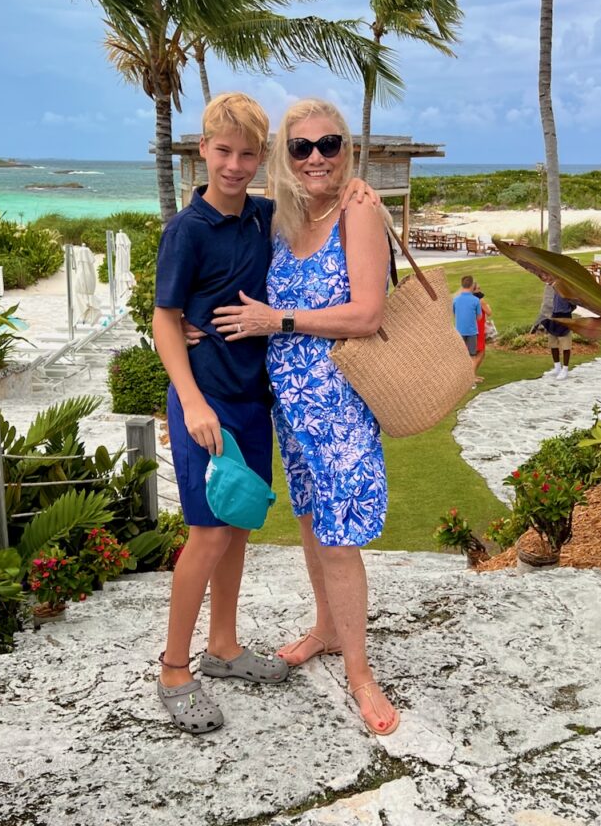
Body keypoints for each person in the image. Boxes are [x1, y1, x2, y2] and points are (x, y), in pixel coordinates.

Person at [154, 92, 375, 735]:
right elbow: (164, 321)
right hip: (208, 404)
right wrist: (191, 401)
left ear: (261, 158)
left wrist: (359, 189)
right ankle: (174, 668)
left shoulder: (262, 217)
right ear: (202, 150)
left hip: (255, 401)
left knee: (242, 523)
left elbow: (325, 196)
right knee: (209, 532)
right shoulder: (186, 230)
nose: (234, 165)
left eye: (248, 154)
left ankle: (222, 645)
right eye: (223, 151)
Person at [212, 98, 399, 736]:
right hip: (290, 405)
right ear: (285, 159)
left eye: (329, 144)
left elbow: (367, 314)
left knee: (341, 537)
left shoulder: (359, 213)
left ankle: (360, 673)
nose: (316, 157)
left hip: (339, 403)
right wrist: (183, 323)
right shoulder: (283, 217)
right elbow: (223, 237)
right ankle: (324, 627)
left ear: (347, 148)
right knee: (311, 523)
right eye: (302, 147)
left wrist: (279, 321)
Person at [541, 290, 577, 381]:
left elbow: (574, 305)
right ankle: (557, 368)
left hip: (565, 317)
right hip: (555, 316)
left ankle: (565, 370)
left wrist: (567, 310)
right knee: (553, 344)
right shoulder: (555, 287)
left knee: (566, 345)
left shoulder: (567, 288)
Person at [453, 274, 483, 381]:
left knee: (460, 355)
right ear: (471, 286)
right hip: (471, 331)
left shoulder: (456, 300)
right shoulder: (475, 300)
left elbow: (454, 313)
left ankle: (460, 379)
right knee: (472, 356)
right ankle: (471, 379)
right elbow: (479, 317)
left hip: (459, 331)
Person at [472, 281, 492, 383]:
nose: (480, 290)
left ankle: (473, 375)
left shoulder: (469, 300)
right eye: (478, 289)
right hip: (478, 327)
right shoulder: (480, 300)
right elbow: (489, 312)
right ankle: (471, 377)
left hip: (471, 327)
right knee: (481, 352)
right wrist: (488, 306)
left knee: (475, 352)